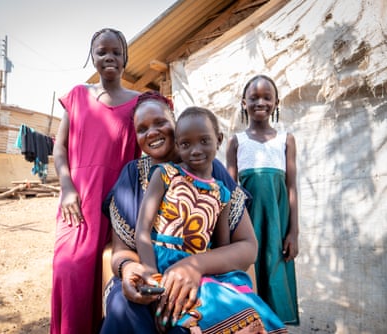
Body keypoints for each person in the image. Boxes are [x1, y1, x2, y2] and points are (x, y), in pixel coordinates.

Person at [100, 92, 287, 333]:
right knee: (123, 305)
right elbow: (119, 250)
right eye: (142, 129)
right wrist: (128, 268)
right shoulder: (132, 176)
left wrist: (194, 266)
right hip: (146, 277)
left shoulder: (210, 171)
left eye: (160, 122)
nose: (152, 132)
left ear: (174, 122)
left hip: (201, 279)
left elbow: (246, 245)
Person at [51, 28, 141, 333]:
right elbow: (59, 149)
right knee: (70, 269)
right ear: (93, 57)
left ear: (125, 58)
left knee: (110, 276)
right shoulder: (78, 96)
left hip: (121, 203)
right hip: (79, 200)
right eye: (102, 52)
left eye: (116, 51)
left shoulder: (139, 103)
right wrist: (66, 188)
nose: (109, 57)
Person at [226, 74, 300, 325]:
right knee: (250, 274)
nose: (261, 102)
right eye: (254, 97)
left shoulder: (285, 139)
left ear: (276, 102)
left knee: (276, 273)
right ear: (243, 102)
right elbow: (229, 190)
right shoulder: (237, 141)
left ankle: (276, 327)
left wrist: (294, 233)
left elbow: (291, 187)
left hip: (278, 223)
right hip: (247, 224)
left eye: (267, 97)